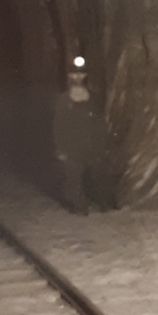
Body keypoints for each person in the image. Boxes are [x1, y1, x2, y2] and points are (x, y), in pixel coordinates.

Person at [53, 57, 112, 214]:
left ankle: (105, 205)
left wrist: (103, 144)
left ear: (85, 76)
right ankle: (81, 207)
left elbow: (99, 123)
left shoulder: (92, 97)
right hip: (72, 147)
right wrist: (60, 148)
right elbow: (58, 125)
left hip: (92, 146)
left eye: (80, 75)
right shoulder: (64, 100)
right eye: (74, 75)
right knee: (73, 180)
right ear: (69, 77)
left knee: (99, 176)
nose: (77, 78)